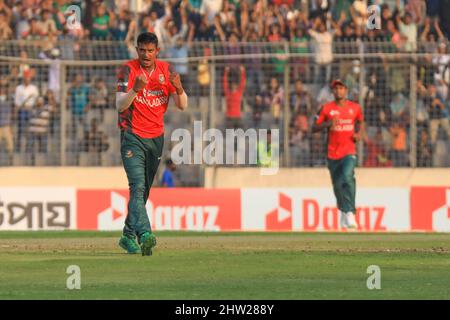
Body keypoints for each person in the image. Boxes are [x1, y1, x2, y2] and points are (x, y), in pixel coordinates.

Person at [116, 32, 188, 256]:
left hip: (156, 139)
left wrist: (179, 88)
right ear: (136, 50)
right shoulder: (127, 69)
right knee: (137, 187)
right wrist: (135, 89)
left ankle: (128, 236)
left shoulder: (166, 71)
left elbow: (182, 105)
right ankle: (145, 234)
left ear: (157, 51)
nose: (146, 55)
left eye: (150, 50)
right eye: (142, 50)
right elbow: (119, 105)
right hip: (132, 136)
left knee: (143, 190)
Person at [312, 79, 365, 229]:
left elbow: (361, 121)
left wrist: (359, 134)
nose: (338, 91)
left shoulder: (355, 108)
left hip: (349, 150)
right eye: (335, 89)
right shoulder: (326, 108)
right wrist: (329, 124)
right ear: (332, 92)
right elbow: (313, 127)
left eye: (341, 88)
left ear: (346, 90)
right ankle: (343, 210)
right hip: (332, 152)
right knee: (337, 185)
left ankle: (350, 212)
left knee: (347, 177)